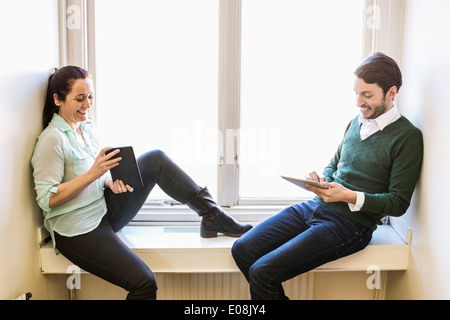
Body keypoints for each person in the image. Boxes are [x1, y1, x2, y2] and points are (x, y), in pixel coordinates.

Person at [31, 65, 252, 300]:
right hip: (78, 231)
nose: (88, 105)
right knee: (144, 283)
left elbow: (99, 172)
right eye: (80, 98)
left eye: (91, 96)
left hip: (103, 210)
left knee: (155, 159)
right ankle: (214, 217)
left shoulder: (86, 127)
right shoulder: (51, 140)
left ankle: (213, 216)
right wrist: (94, 174)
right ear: (57, 99)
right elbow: (47, 200)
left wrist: (109, 181)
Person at [231, 52, 424, 300]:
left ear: (391, 93)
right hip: (316, 206)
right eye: (356, 93)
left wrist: (349, 195)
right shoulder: (356, 122)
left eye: (367, 95)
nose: (359, 102)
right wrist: (322, 182)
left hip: (351, 225)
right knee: (243, 249)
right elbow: (334, 165)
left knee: (263, 272)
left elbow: (398, 203)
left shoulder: (408, 137)